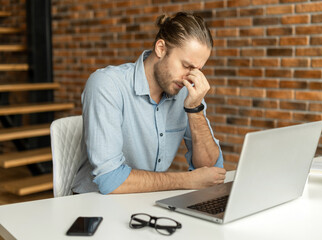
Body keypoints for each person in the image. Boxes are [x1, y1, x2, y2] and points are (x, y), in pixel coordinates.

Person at [72, 12, 226, 195]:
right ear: (161, 48)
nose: (191, 78)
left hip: (145, 203)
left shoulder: (187, 92)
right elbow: (110, 179)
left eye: (198, 70)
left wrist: (195, 110)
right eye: (186, 66)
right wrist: (188, 180)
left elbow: (210, 170)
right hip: (94, 206)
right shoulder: (107, 84)